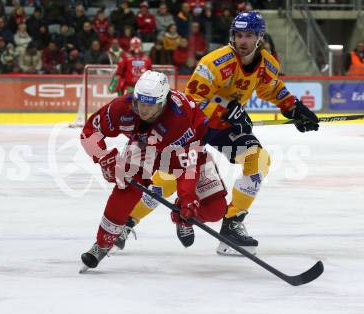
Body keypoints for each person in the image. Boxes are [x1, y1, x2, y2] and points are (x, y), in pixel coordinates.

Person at [114, 11, 320, 256]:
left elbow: (272, 89)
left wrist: (294, 108)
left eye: (249, 35)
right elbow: (192, 99)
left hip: (224, 129)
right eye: (238, 35)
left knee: (258, 160)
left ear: (259, 37)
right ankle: (125, 223)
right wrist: (224, 111)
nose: (242, 41)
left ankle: (232, 223)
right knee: (167, 181)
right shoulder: (216, 61)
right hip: (194, 126)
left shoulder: (267, 63)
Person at [79, 71, 228, 270]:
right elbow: (88, 132)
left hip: (187, 149)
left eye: (151, 105)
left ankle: (182, 217)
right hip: (145, 146)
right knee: (128, 185)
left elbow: (187, 165)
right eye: (141, 102)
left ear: (163, 102)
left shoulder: (179, 117)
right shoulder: (120, 108)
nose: (144, 110)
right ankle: (103, 243)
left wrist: (187, 197)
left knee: (216, 208)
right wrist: (103, 157)